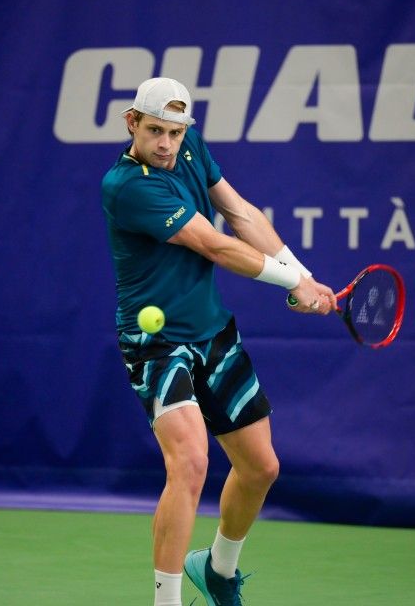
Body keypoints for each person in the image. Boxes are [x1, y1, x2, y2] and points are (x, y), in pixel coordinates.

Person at [102, 78, 337, 606]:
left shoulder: (190, 147)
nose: (166, 143)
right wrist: (290, 283)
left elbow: (240, 213)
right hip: (156, 345)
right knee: (190, 463)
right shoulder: (126, 186)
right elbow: (214, 245)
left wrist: (303, 276)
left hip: (211, 332)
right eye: (155, 130)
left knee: (261, 468)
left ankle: (217, 570)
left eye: (175, 132)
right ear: (132, 123)